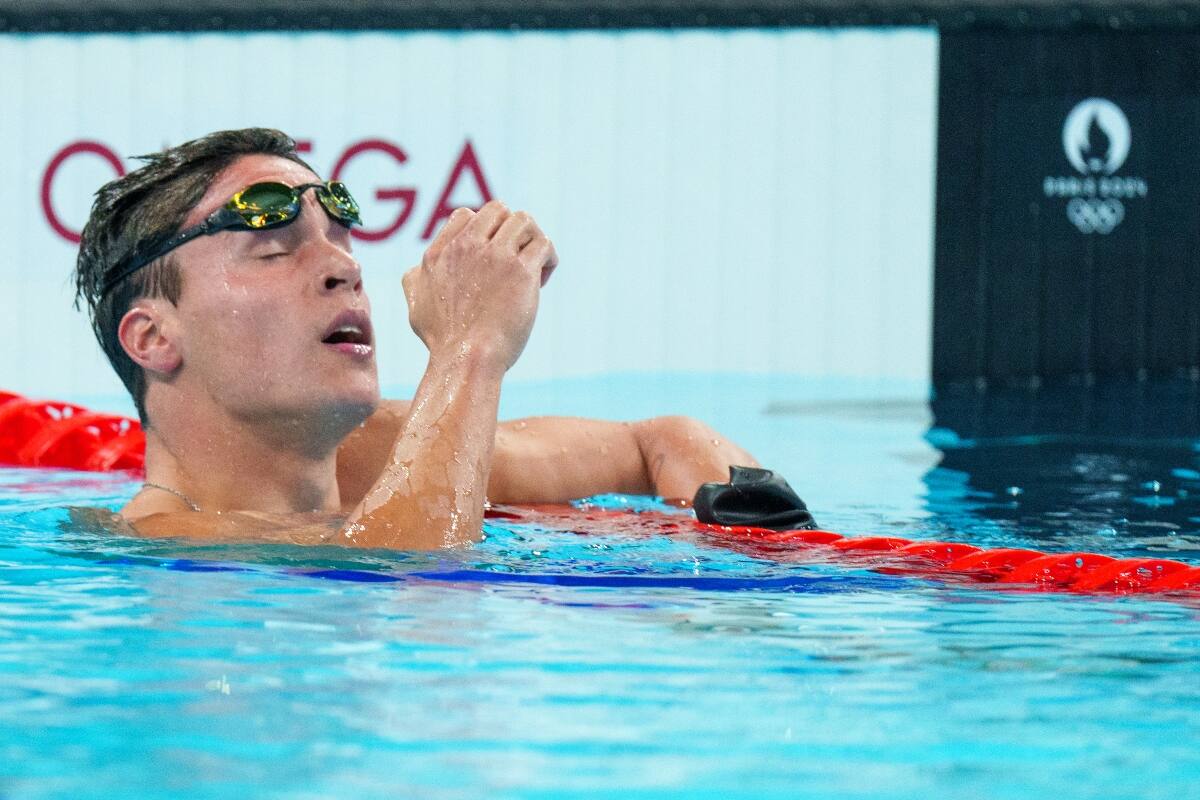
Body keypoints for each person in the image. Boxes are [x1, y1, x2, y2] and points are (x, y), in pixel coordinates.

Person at [74, 128, 759, 549]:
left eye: (339, 236)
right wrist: (470, 349)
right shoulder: (167, 548)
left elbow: (661, 441)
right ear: (154, 339)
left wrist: (754, 578)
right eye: (273, 247)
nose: (345, 266)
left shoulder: (381, 455)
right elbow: (415, 586)